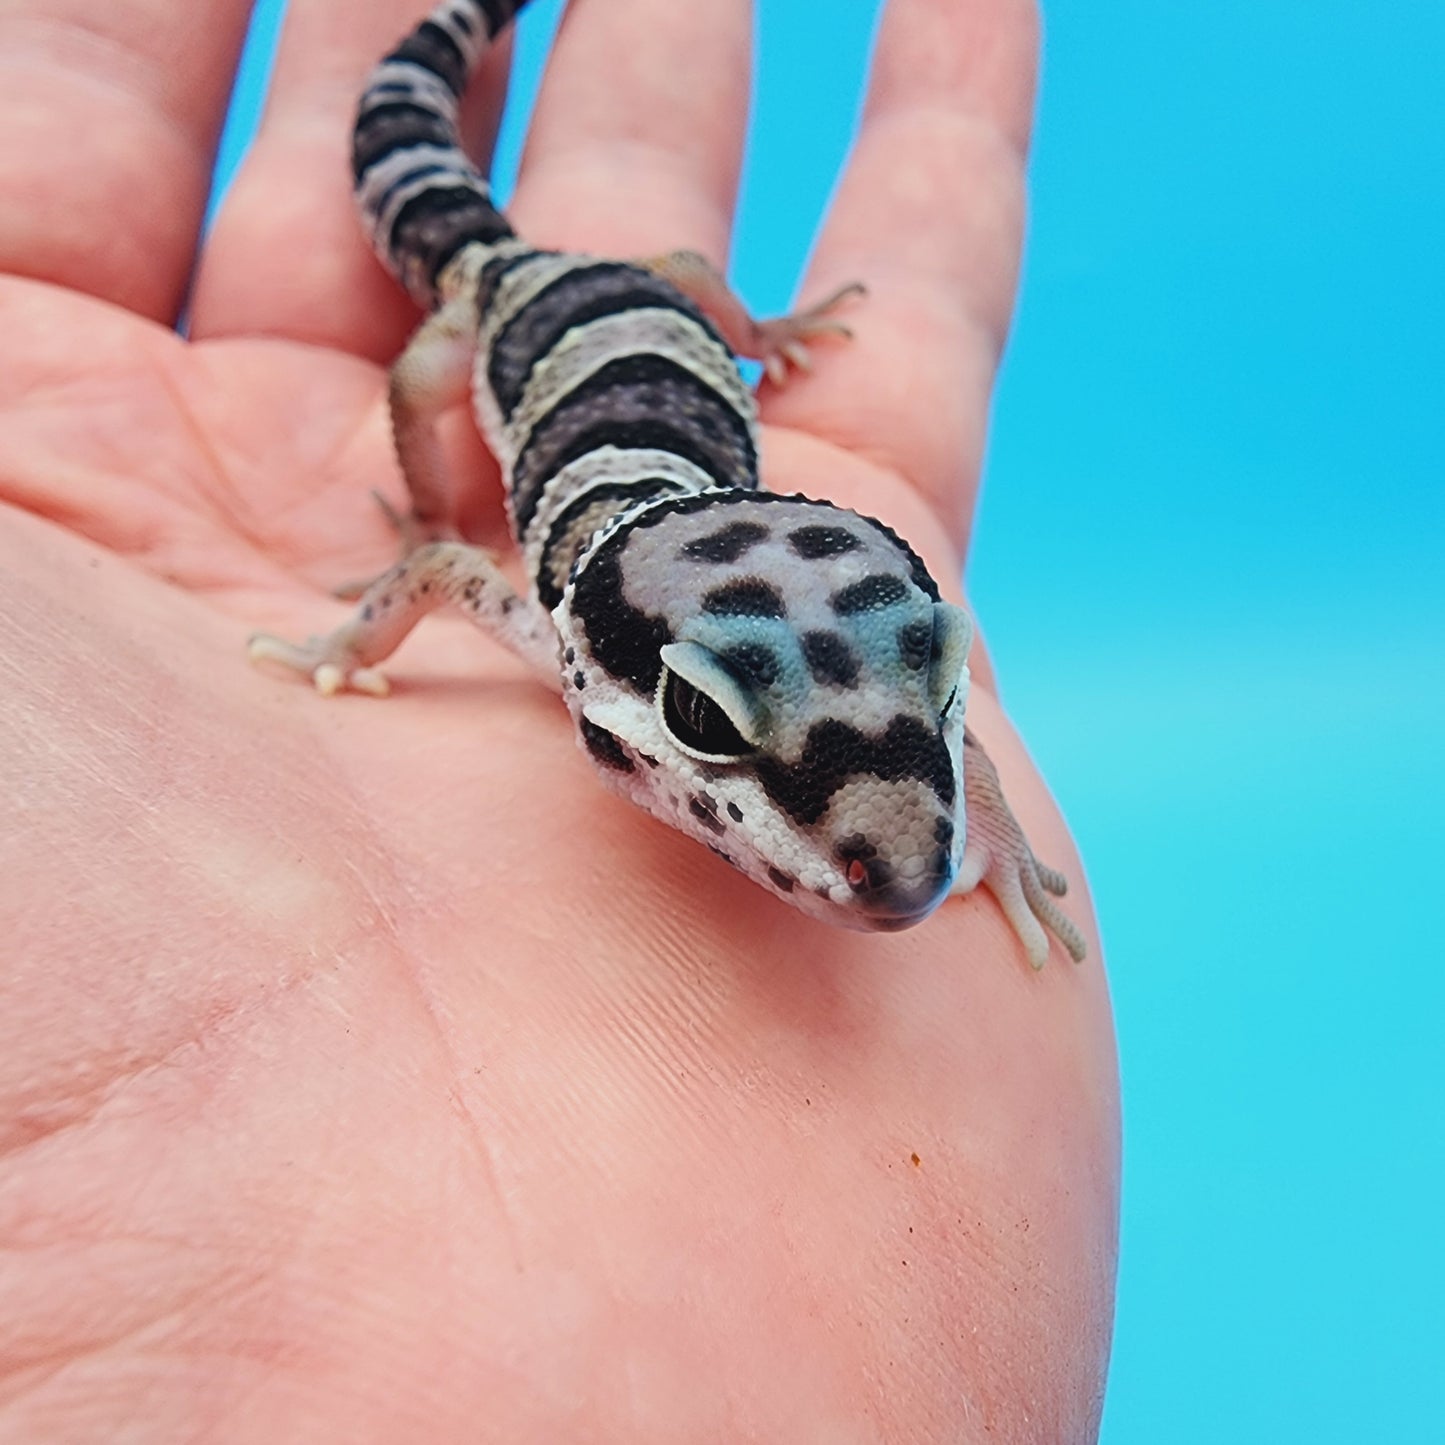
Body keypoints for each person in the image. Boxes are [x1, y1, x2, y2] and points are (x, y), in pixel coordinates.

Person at [0, 0, 1119, 1437]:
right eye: (716, 720)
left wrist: (1000, 847)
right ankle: (453, 38)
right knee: (425, 364)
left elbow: (911, 714)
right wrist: (368, 614)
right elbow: (444, 565)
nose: (879, 861)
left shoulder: (851, 679)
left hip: (640, 326)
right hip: (503, 297)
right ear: (607, 662)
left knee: (687, 310)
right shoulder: (546, 606)